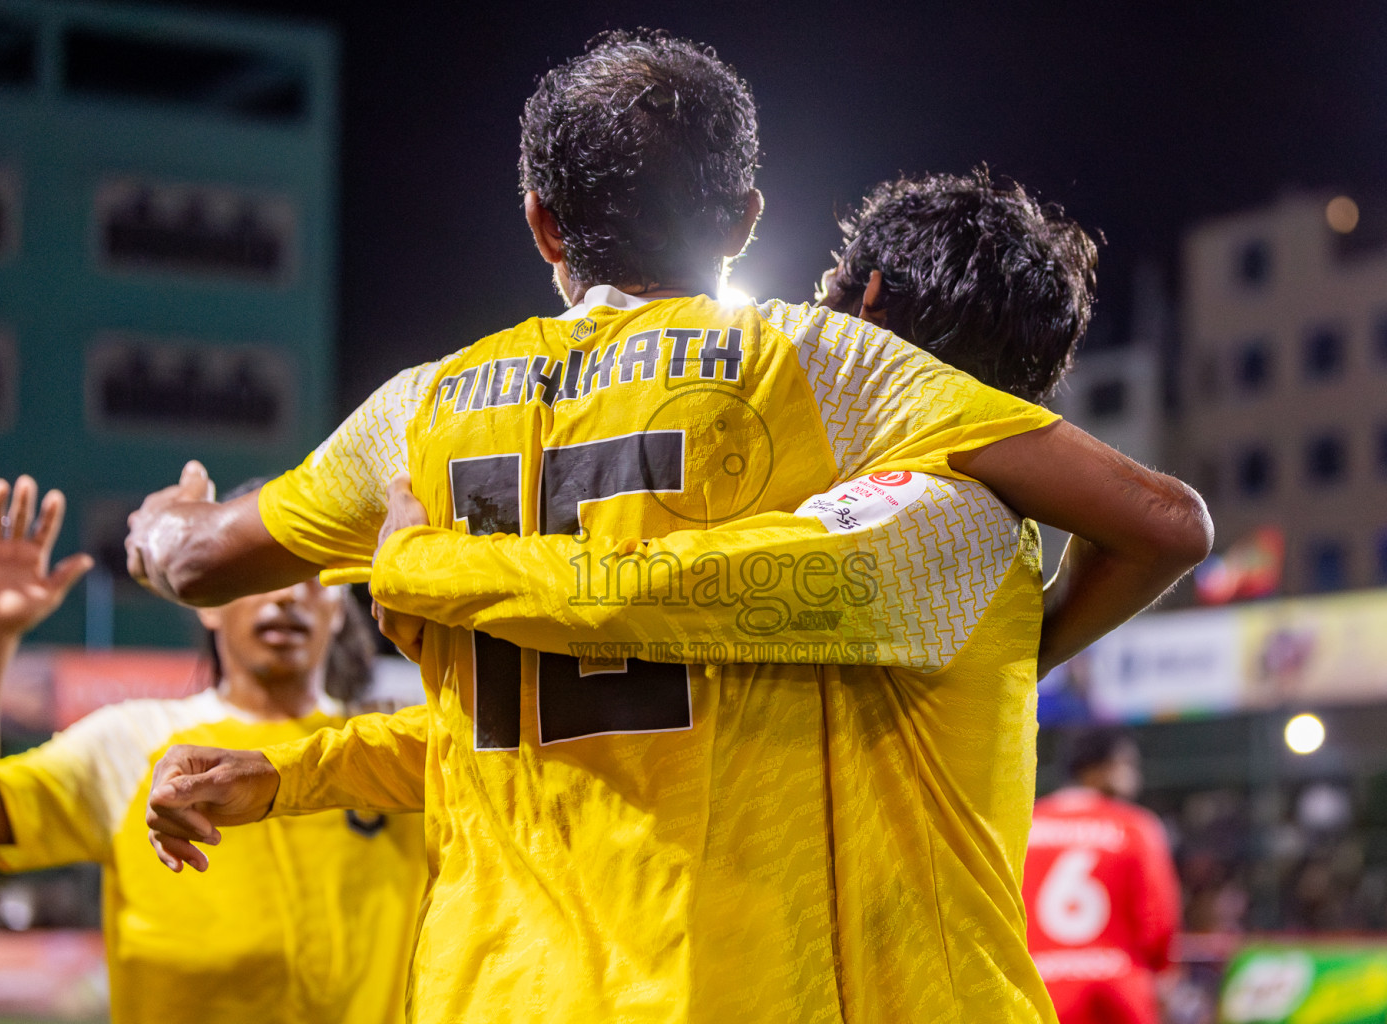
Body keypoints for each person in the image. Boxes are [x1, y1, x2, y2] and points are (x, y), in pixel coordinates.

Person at [132, 31, 1211, 1024]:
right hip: (717, 981)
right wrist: (295, 772)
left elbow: (201, 563)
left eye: (841, 288)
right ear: (745, 220)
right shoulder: (809, 393)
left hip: (497, 982)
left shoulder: (422, 409)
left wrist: (190, 527)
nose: (825, 301)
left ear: (540, 221)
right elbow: (650, 673)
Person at [0, 476, 427, 1024]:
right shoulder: (133, 743)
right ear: (207, 601)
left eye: (311, 574)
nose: (286, 593)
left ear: (341, 605)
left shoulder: (393, 748)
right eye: (262, 574)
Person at [1025, 728, 1181, 1024]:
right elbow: (1158, 920)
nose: (1136, 776)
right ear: (1097, 769)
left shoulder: (1026, 826)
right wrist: (1164, 974)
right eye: (1127, 765)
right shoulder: (1135, 826)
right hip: (1116, 992)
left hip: (1039, 991)